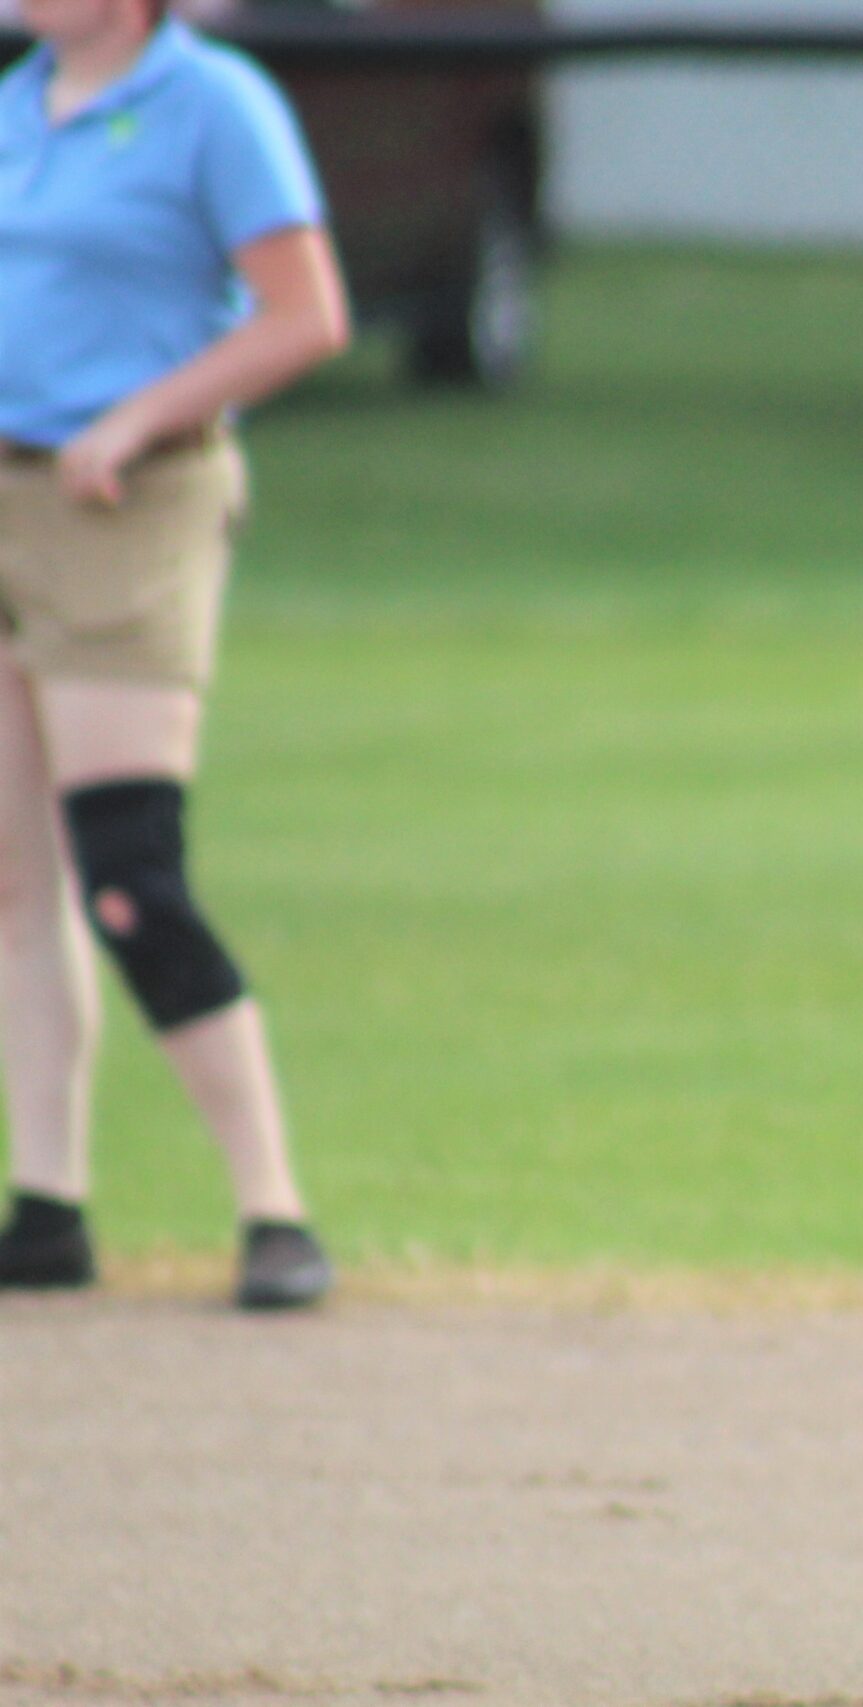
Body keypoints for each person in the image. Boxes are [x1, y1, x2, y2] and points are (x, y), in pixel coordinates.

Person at [0, 0, 350, 1307]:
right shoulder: (17, 108)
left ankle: (273, 1210)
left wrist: (136, 416)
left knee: (130, 877)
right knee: (11, 881)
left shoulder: (213, 104)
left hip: (125, 504)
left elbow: (305, 316)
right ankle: (47, 1204)